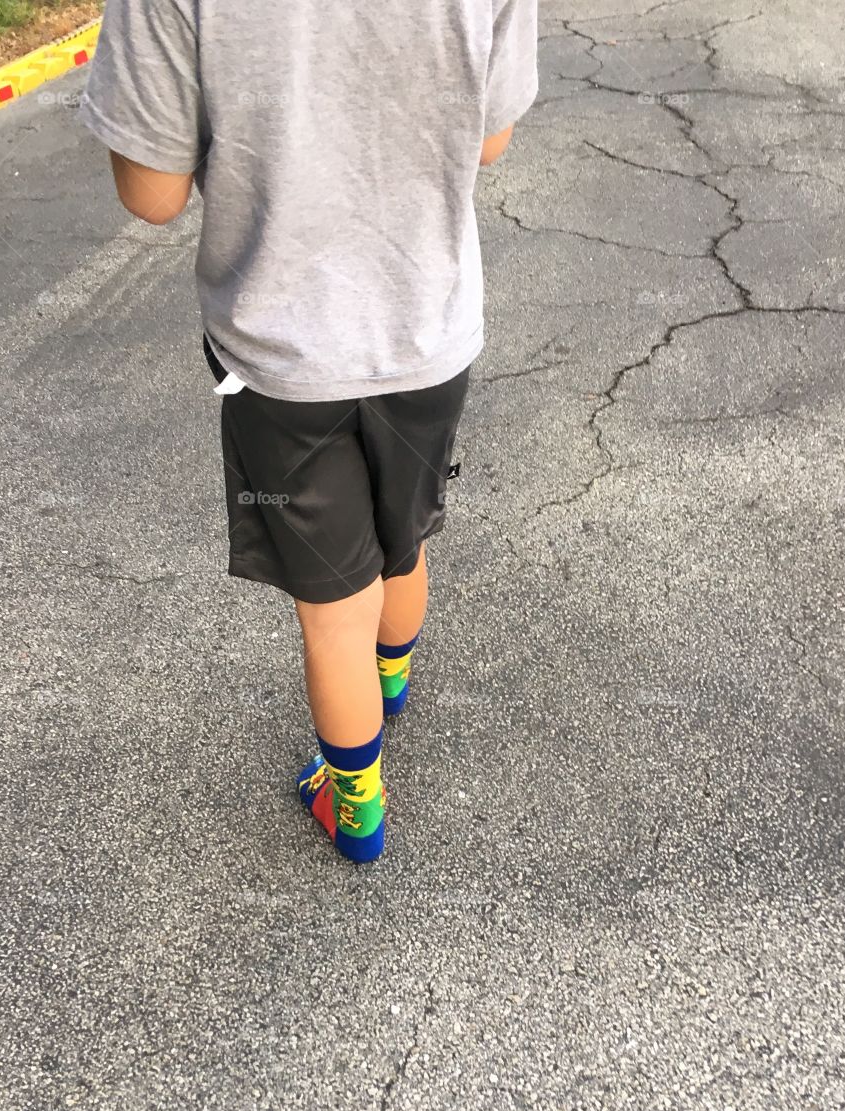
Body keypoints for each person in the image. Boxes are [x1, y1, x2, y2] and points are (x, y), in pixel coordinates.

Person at [79, 0, 539, 863]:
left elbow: (152, 194)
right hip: (428, 331)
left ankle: (355, 808)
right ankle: (391, 685)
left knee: (332, 608)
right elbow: (488, 142)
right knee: (402, 535)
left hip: (279, 357)